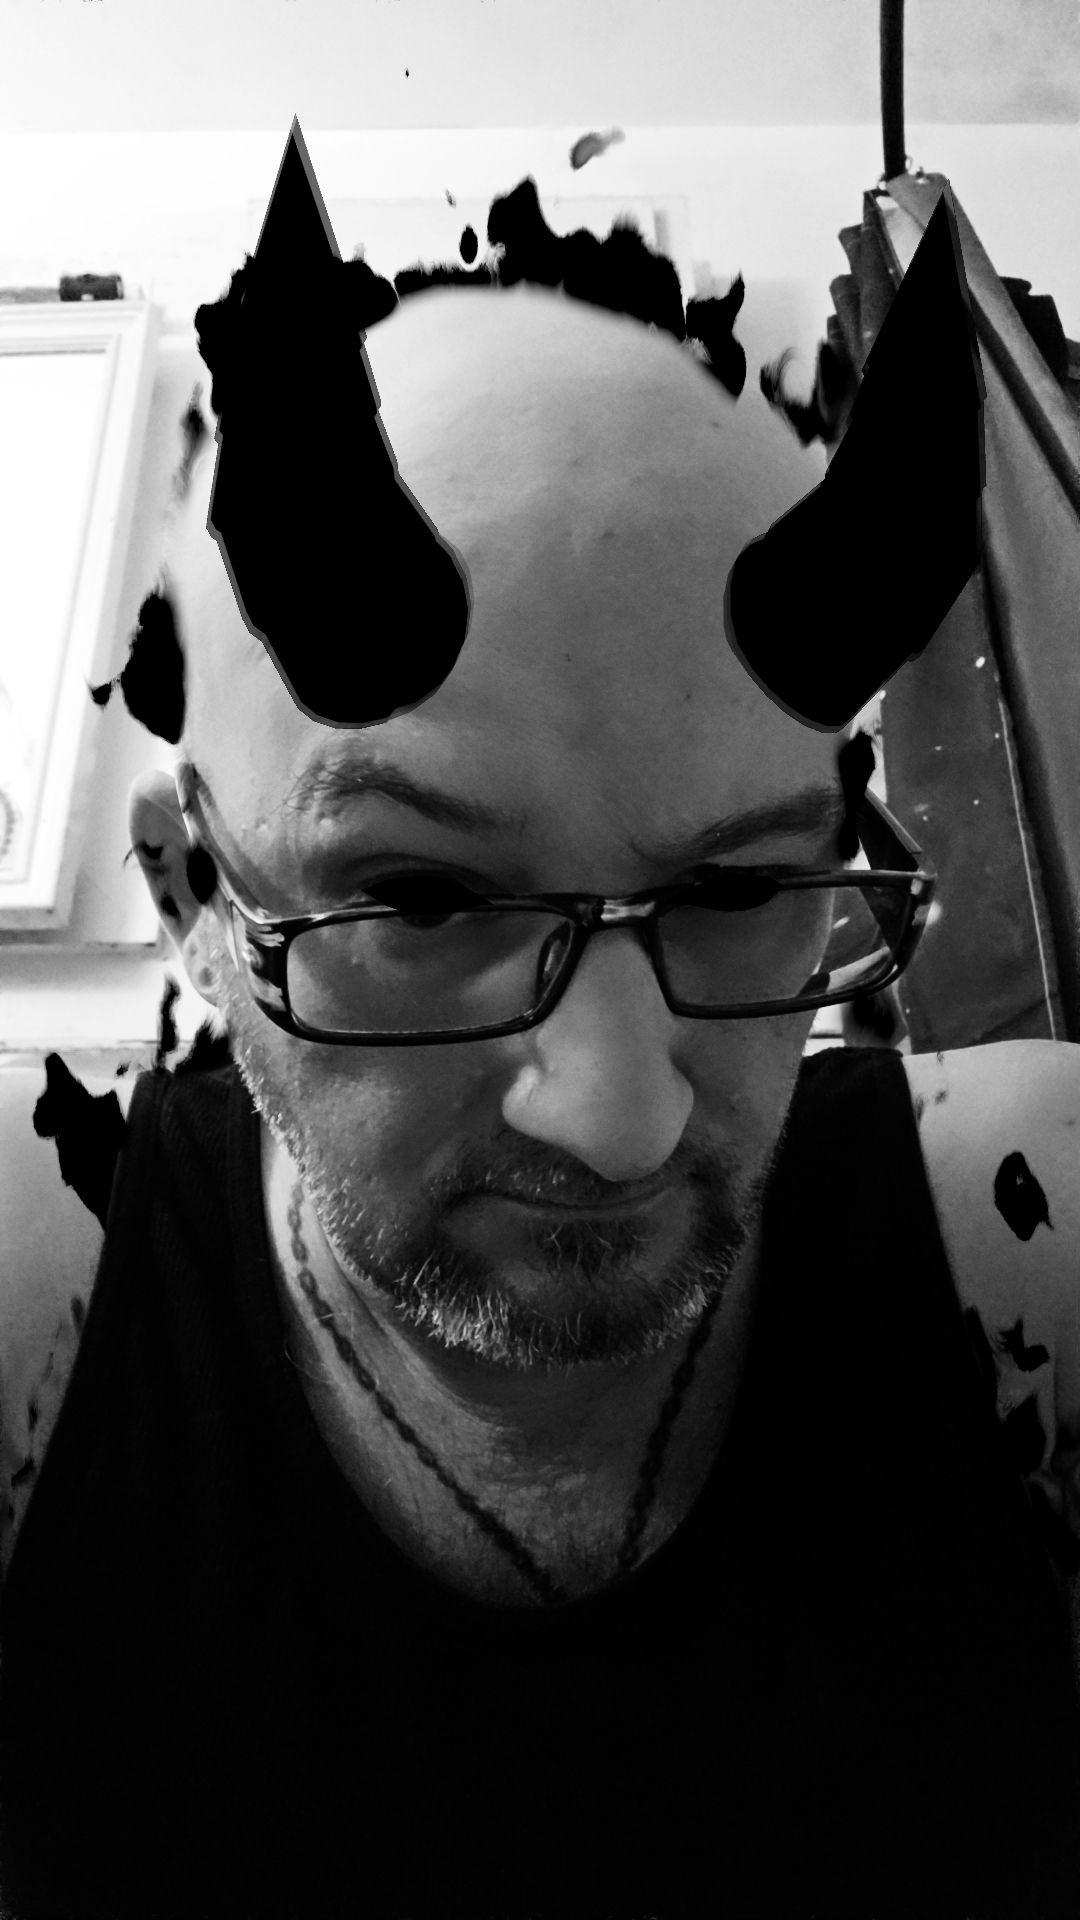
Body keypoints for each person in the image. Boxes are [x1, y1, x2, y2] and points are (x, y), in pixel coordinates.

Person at [1, 228, 1079, 1920]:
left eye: (738, 889)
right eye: (426, 901)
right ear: (194, 896)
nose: (620, 1117)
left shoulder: (1029, 1252)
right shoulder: (37, 1293)